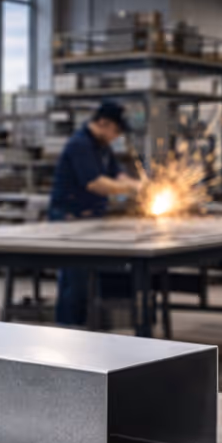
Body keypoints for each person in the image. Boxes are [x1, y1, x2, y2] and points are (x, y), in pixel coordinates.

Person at [48, 101, 141, 326]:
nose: (116, 137)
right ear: (103, 123)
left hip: (90, 218)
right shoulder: (80, 145)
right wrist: (132, 189)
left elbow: (117, 175)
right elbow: (96, 184)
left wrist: (142, 185)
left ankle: (89, 329)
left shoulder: (102, 146)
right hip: (70, 218)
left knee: (91, 280)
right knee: (75, 280)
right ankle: (69, 332)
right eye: (115, 131)